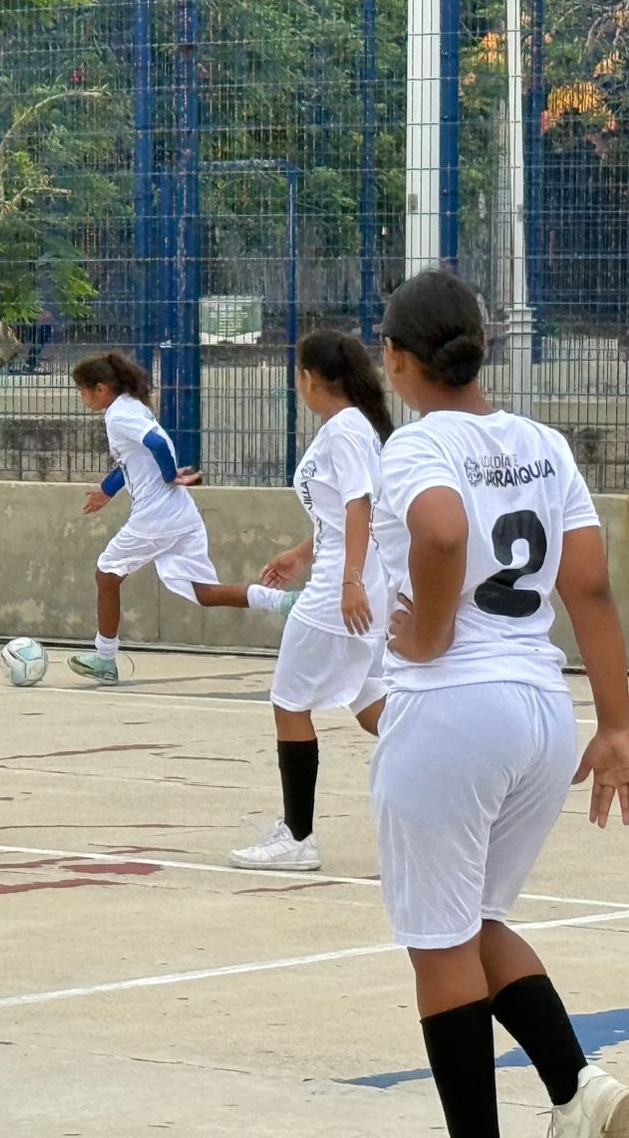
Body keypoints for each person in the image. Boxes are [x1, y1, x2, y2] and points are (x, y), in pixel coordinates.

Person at [371, 268, 629, 1137]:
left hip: (452, 711)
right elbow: (589, 589)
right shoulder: (546, 444)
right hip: (541, 711)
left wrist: (431, 634)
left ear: (397, 358)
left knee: (440, 947)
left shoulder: (416, 445)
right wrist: (620, 722)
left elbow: (441, 530)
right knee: (477, 925)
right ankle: (581, 1089)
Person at [229, 330, 393, 872]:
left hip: (339, 596)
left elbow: (360, 506)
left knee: (289, 701)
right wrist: (302, 553)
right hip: (353, 583)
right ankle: (465, 777)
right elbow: (338, 515)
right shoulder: (353, 427)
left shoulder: (345, 429)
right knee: (374, 707)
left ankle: (297, 839)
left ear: (307, 377)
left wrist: (346, 583)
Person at [70, 352, 292, 686]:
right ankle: (287, 601)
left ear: (100, 389)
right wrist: (107, 490)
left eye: (83, 390)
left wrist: (170, 473)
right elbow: (133, 461)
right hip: (181, 514)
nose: (82, 397)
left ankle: (104, 658)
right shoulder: (132, 407)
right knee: (203, 592)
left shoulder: (118, 415)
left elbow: (157, 443)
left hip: (156, 516)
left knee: (107, 573)